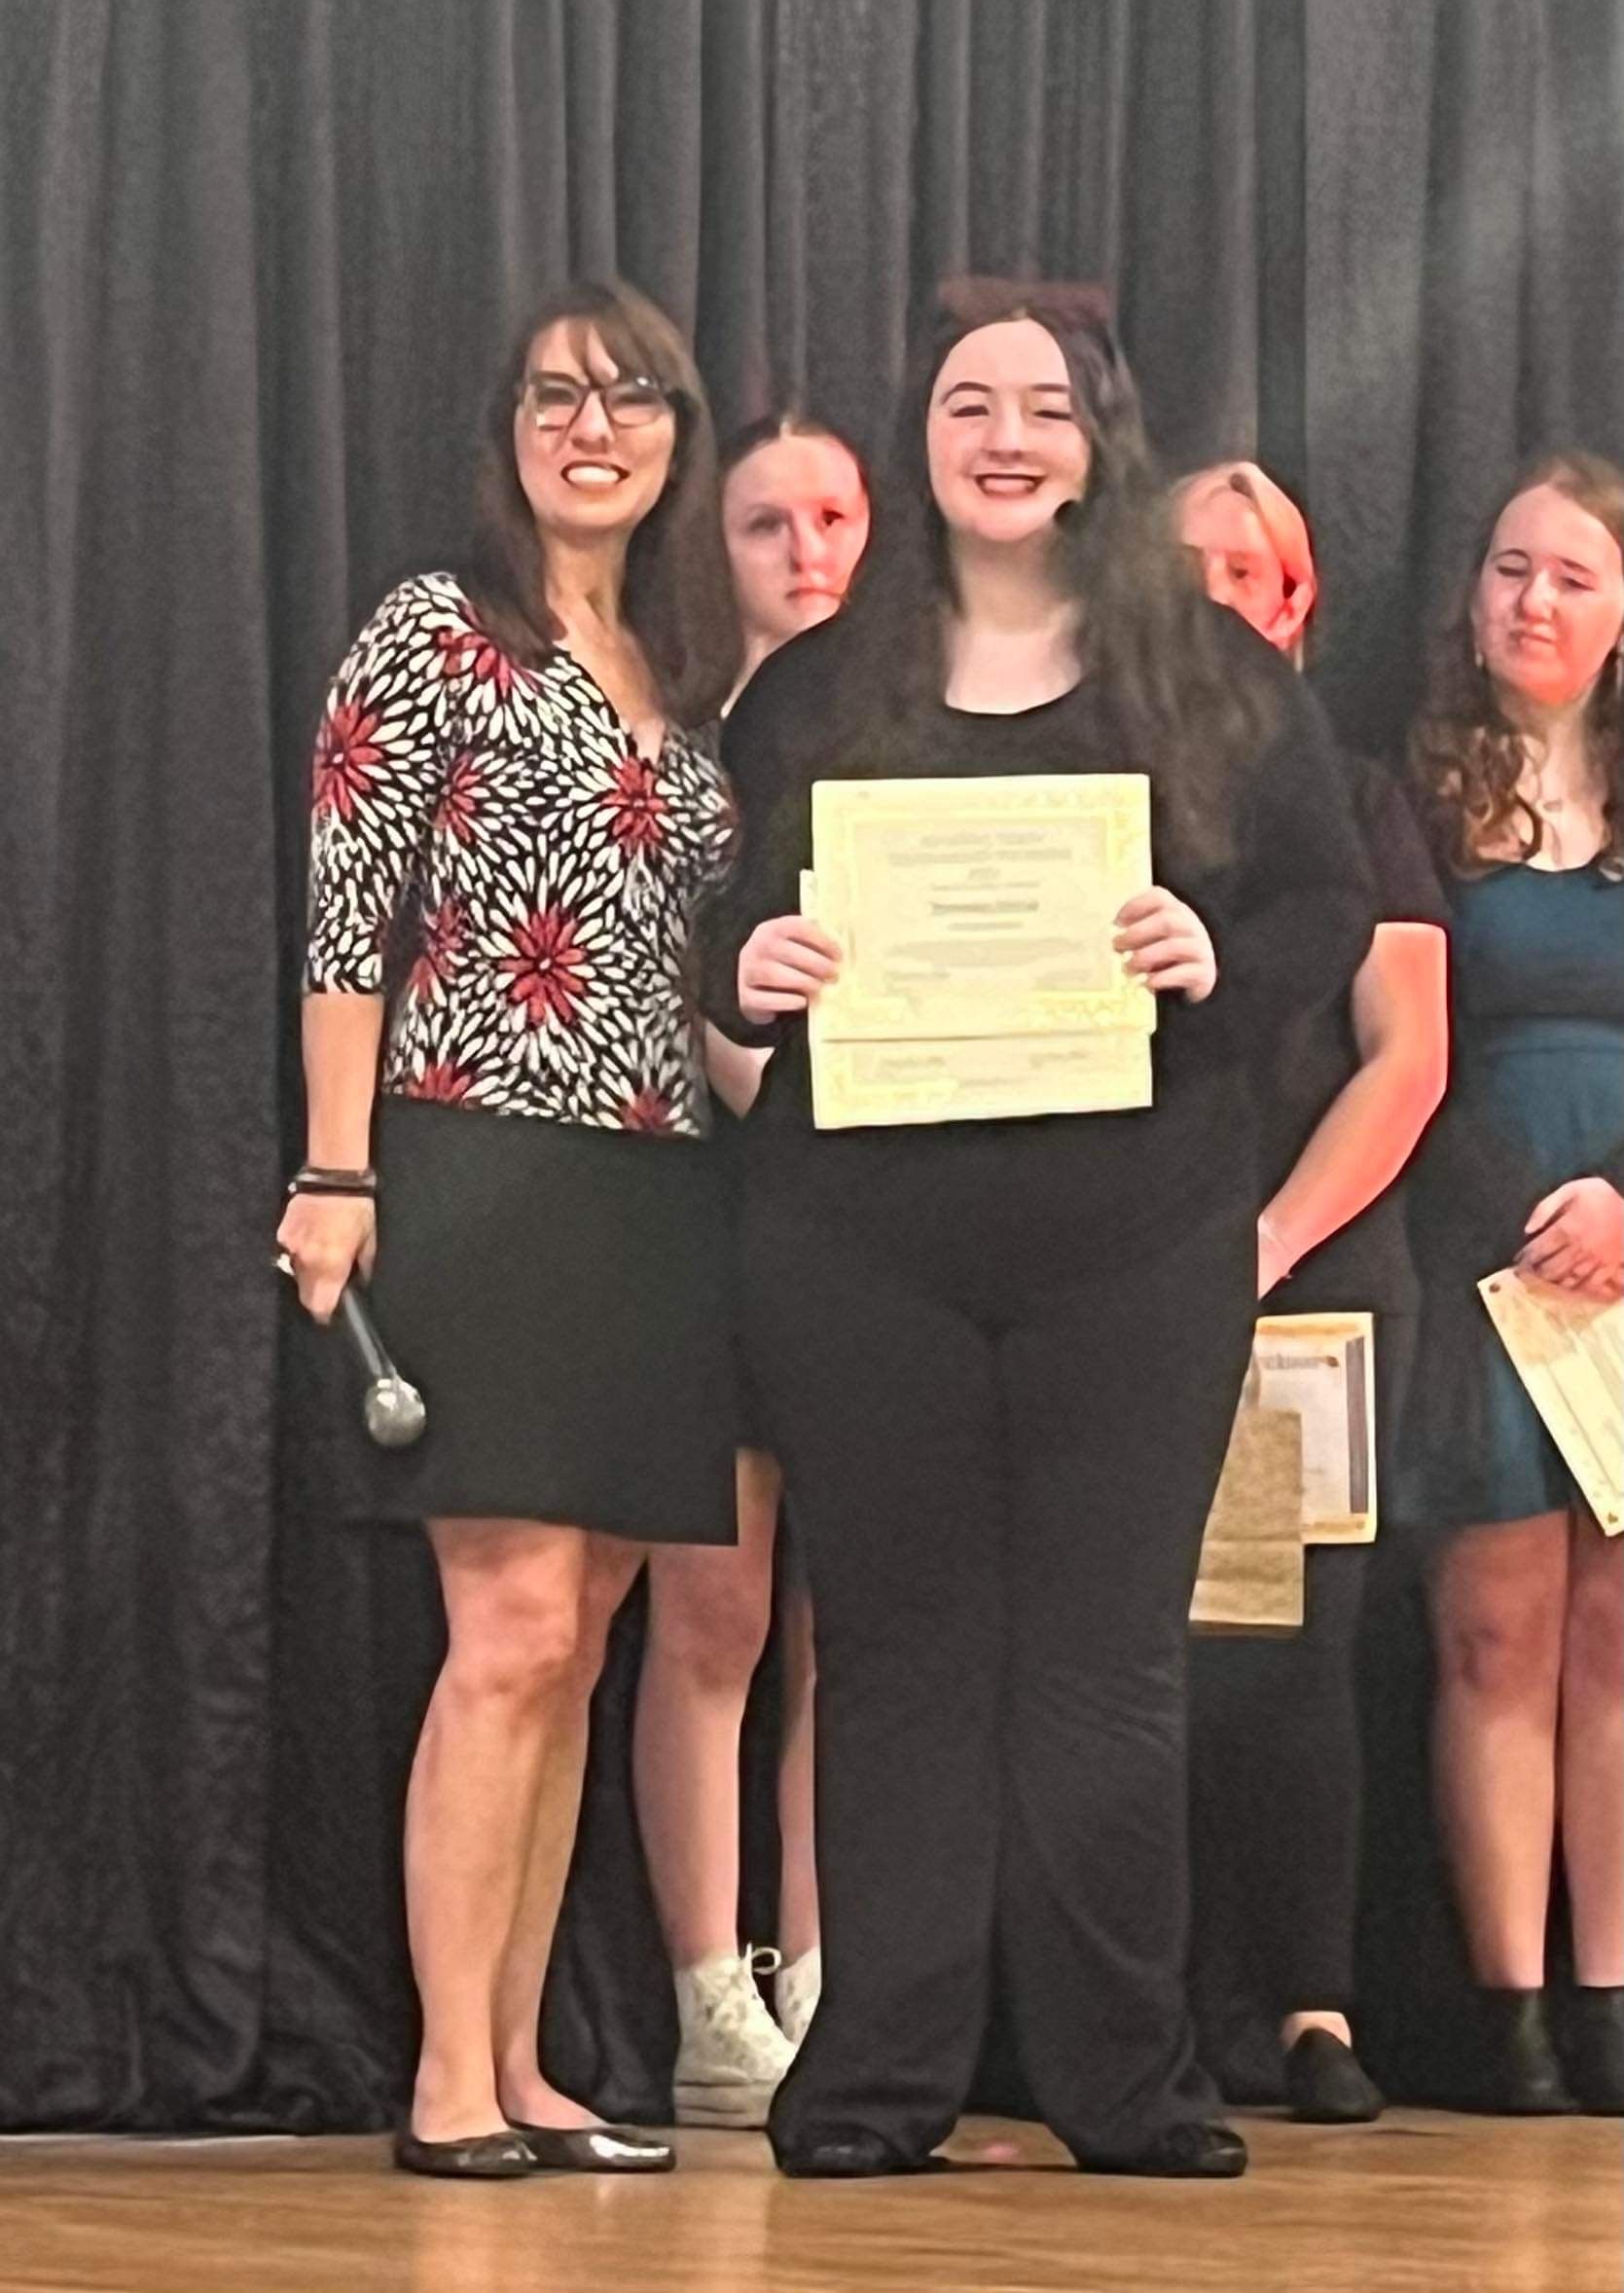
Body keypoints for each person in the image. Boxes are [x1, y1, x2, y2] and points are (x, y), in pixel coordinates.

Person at [704, 278, 1377, 2180]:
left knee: (1106, 1658)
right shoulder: (823, 683)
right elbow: (715, 927)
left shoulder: (1218, 682)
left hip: (1135, 1241)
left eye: (1046, 406)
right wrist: (746, 966)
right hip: (860, 1244)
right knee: (903, 1654)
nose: (1005, 434)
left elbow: (1325, 911)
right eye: (967, 400)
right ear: (920, 434)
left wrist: (1211, 955)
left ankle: (1123, 2078)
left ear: (1101, 442)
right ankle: (876, 2078)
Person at [278, 277, 742, 2179]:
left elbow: (709, 961)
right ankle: (445, 2078)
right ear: (510, 427)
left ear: (675, 438)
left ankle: (531, 2056)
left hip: (661, 1179)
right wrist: (332, 1170)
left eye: (633, 395)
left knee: (590, 1629)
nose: (594, 422)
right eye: (558, 392)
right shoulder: (430, 632)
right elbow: (343, 912)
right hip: (471, 1158)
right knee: (511, 1621)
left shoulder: (689, 668)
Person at [1176, 463, 1450, 2123]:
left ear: (1297, 611)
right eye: (1182, 570)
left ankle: (1306, 2005)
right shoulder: (1085, 786)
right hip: (1122, 1286)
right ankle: (1158, 1999)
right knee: (1130, 1652)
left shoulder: (1353, 798)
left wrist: (1263, 1246)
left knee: (1295, 1652)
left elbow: (1404, 1060)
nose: (1216, 600)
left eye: (1246, 574)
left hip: (1309, 1287)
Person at [633, 414, 870, 2122]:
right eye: (766, 521)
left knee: (846, 1628)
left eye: (835, 516)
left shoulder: (922, 735)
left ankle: (832, 1973)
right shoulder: (682, 749)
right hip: (706, 1217)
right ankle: (711, 1992)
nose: (805, 551)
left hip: (881, 1225)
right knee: (712, 1614)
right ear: (710, 550)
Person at [1402, 451, 1624, 2116]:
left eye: (1568, 576)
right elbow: (1391, 1039)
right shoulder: (1410, 789)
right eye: (1506, 570)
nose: (1531, 602)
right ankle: (1509, 2005)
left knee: (1613, 1636)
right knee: (1493, 1630)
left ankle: (1609, 1988)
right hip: (1478, 1249)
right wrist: (1521, 1226)